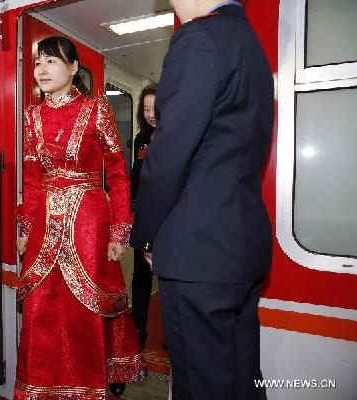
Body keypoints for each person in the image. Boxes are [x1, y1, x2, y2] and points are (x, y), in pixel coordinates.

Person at [130, 1, 274, 399]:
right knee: (242, 379)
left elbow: (168, 155)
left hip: (197, 252)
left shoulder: (199, 39)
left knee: (201, 386)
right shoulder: (250, 45)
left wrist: (146, 235)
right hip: (242, 246)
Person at [15, 36, 147, 399]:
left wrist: (119, 231)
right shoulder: (31, 116)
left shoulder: (95, 109)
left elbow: (118, 174)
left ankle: (89, 387)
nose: (41, 69)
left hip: (88, 224)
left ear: (74, 68)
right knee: (39, 307)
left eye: (51, 61)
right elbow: (32, 179)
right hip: (44, 225)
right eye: (38, 62)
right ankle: (39, 389)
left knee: (86, 309)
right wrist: (25, 226)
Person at [130, 83, 159, 348]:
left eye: (155, 108)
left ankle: (174, 336)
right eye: (146, 109)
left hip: (167, 218)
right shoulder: (141, 139)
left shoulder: (176, 136)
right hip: (143, 215)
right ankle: (138, 331)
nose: (150, 115)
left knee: (169, 276)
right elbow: (136, 177)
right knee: (140, 276)